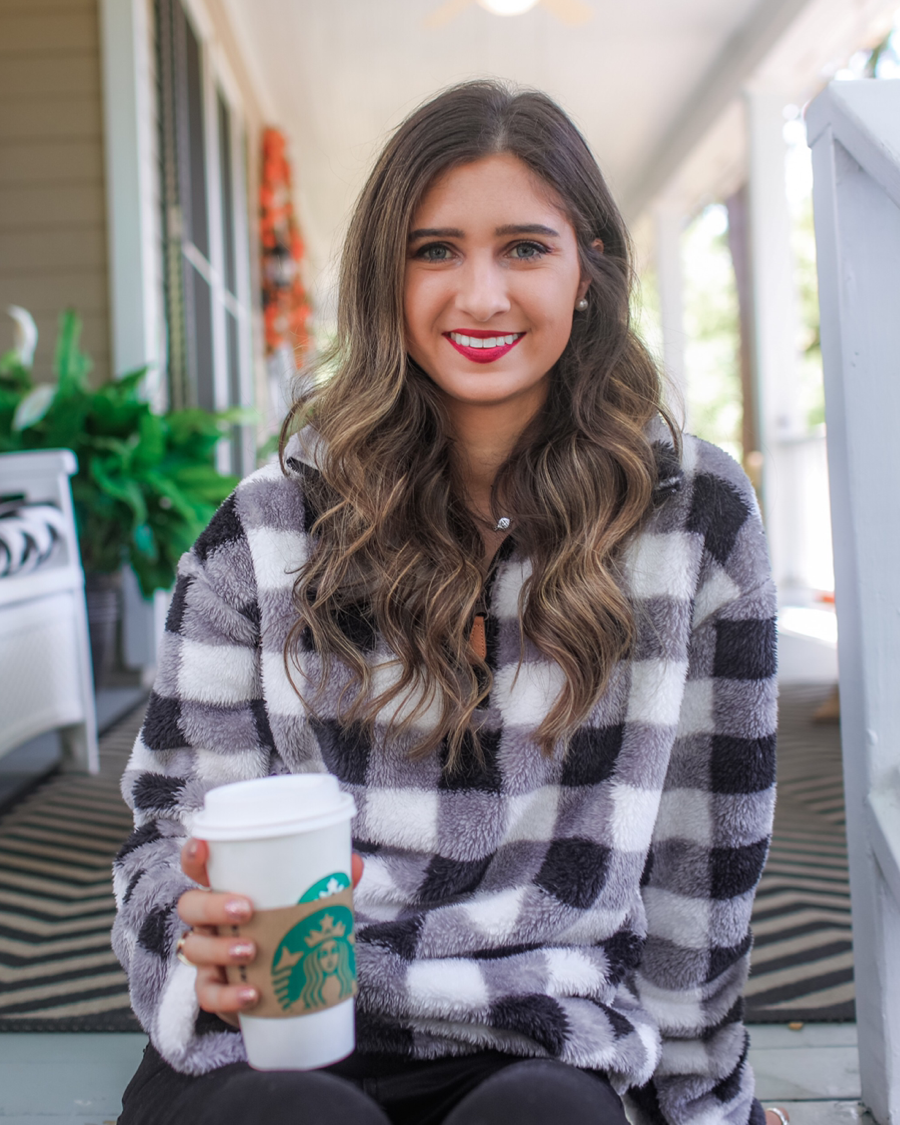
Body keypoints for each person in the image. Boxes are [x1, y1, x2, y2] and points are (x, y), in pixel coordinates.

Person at [112, 81, 781, 1125]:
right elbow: (168, 829)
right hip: (284, 1027)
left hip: (545, 1029)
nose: (480, 297)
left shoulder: (692, 519)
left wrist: (709, 1105)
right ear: (385, 277)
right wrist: (183, 924)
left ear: (589, 271)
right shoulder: (267, 528)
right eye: (435, 251)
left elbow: (707, 857)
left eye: (524, 247)